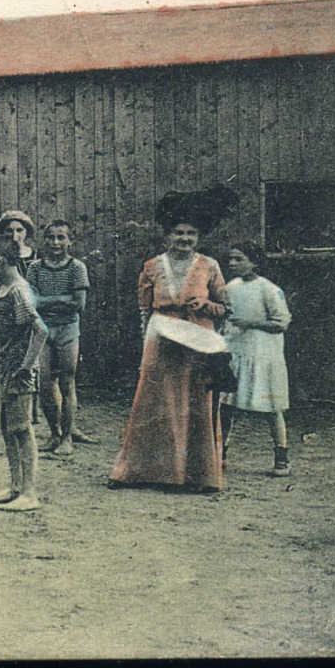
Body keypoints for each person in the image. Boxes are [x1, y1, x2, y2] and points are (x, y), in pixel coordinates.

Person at [109, 189, 234, 492]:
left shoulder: (210, 265)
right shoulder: (152, 266)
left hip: (199, 339)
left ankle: (198, 476)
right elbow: (143, 310)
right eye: (178, 233)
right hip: (161, 338)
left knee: (197, 405)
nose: (184, 239)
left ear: (198, 237)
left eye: (191, 234)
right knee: (151, 403)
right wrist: (145, 343)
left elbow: (226, 308)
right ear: (167, 235)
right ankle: (139, 472)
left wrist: (205, 308)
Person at [0, 235, 48, 512]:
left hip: (19, 372)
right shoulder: (5, 288)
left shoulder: (18, 290)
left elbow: (40, 330)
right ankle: (15, 486)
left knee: (21, 429)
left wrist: (27, 365)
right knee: (8, 429)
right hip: (6, 369)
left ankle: (30, 493)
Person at [220, 241, 293, 478]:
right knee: (225, 406)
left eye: (239, 259)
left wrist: (250, 323)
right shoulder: (230, 287)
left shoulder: (269, 289)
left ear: (255, 262)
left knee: (272, 407)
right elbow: (228, 319)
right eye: (231, 259)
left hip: (263, 356)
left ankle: (281, 458)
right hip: (237, 354)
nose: (232, 263)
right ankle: (219, 455)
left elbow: (281, 322)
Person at [27, 220, 91, 456]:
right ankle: (54, 434)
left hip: (67, 329)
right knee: (44, 383)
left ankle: (67, 437)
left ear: (69, 241)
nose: (56, 242)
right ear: (44, 241)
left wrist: (48, 300)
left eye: (61, 237)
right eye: (51, 237)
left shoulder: (77, 268)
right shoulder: (34, 268)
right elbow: (32, 302)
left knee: (67, 381)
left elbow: (79, 304)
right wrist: (62, 299)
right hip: (43, 329)